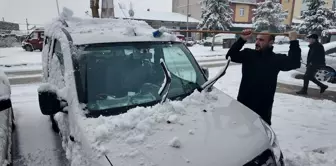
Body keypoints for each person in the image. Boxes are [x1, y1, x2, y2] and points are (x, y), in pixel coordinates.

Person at [225, 29, 301, 125]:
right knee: (240, 131)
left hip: (263, 107)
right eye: (257, 39)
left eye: (261, 40)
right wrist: (242, 39)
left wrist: (294, 41)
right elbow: (230, 56)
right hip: (244, 103)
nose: (257, 42)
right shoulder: (248, 54)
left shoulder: (276, 59)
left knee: (261, 135)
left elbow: (294, 63)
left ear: (271, 43)